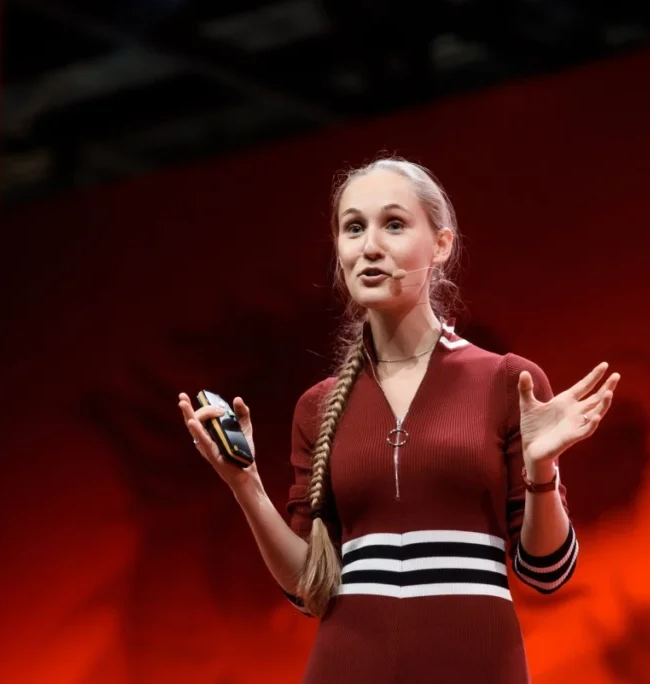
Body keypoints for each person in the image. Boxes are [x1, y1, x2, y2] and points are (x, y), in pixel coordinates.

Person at [178, 157, 620, 683]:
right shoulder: (317, 407)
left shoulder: (509, 383)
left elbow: (547, 572)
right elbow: (308, 591)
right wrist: (244, 483)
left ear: (441, 244)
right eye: (353, 228)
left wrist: (541, 470)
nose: (370, 246)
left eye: (393, 224)